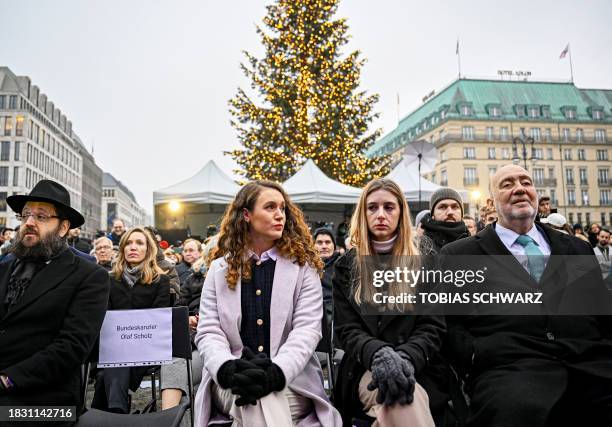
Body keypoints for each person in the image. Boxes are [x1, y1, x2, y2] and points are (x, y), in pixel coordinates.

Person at [442, 165, 612, 427]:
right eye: (507, 184)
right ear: (491, 201)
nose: (519, 188)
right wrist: (475, 355)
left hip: (590, 364)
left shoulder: (577, 248)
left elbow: (601, 310)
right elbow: (450, 323)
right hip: (510, 373)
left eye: (526, 182)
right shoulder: (461, 255)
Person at [194, 180, 341, 427]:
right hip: (230, 381)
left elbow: (307, 330)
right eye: (270, 207)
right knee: (255, 398)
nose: (279, 215)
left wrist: (275, 373)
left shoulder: (303, 267)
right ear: (247, 215)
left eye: (282, 208)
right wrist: (227, 369)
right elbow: (209, 331)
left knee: (258, 399)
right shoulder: (219, 269)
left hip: (292, 381)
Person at [333, 178, 443, 427]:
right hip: (365, 366)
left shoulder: (426, 261)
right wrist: (380, 354)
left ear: (401, 212)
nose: (380, 214)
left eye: (389, 207)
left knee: (402, 394)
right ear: (363, 213)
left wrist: (403, 358)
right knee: (403, 396)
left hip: (420, 365)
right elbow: (347, 330)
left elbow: (432, 326)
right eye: (372, 207)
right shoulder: (347, 265)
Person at [0, 180, 110, 424]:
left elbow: (71, 348)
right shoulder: (4, 266)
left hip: (48, 403)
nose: (29, 222)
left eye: (41, 216)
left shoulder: (89, 276)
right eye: (26, 214)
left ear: (63, 227)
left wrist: (7, 379)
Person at [92, 226, 171, 414]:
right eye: (128, 243)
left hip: (147, 347)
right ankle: (117, 411)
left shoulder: (160, 281)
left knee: (110, 368)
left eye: (139, 243)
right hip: (113, 346)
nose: (133, 247)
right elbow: (104, 319)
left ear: (148, 250)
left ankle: (111, 413)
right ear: (122, 249)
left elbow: (158, 322)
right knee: (116, 358)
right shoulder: (109, 279)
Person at [421, 187, 469, 253]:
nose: (450, 212)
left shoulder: (474, 244)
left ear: (462, 214)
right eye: (443, 207)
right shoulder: (419, 247)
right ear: (433, 214)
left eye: (455, 207)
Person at [313, 227, 340, 324]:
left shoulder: (342, 267)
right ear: (313, 246)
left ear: (334, 246)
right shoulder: (306, 267)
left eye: (328, 242)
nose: (324, 246)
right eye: (319, 243)